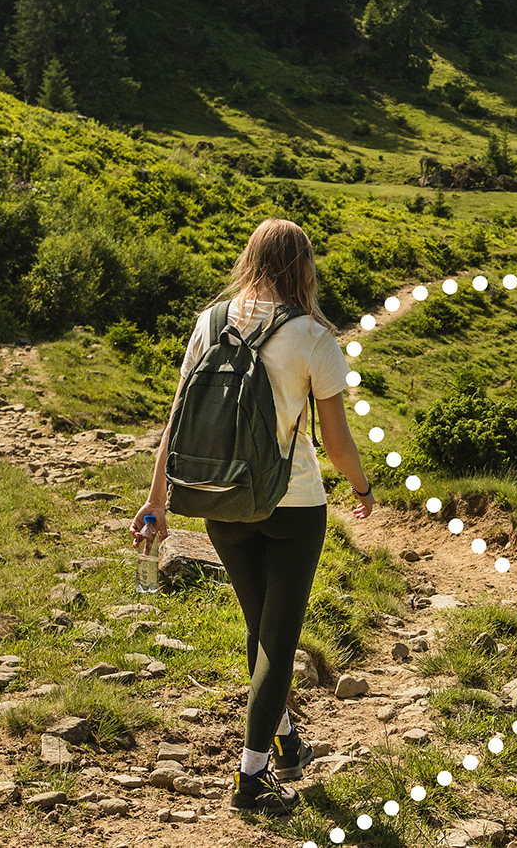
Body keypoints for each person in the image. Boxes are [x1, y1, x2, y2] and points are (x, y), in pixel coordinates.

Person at [133, 218, 375, 816]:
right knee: (279, 636)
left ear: (251, 258)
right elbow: (338, 442)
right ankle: (251, 778)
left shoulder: (210, 322)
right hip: (292, 507)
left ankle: (287, 740)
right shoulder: (313, 336)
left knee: (260, 626)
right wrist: (362, 485)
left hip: (221, 501)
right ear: (304, 267)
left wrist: (158, 500)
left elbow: (179, 416)